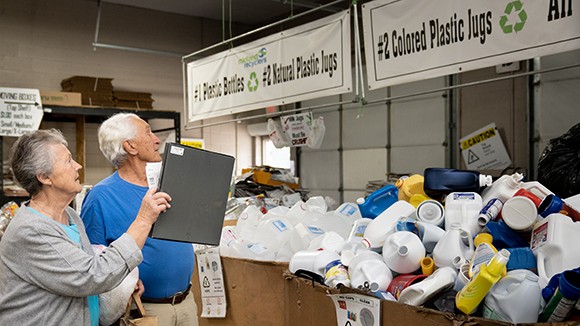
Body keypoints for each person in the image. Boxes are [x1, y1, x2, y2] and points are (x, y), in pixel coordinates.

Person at [0, 129, 171, 326]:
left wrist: (121, 282)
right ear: (44, 177)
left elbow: (80, 270)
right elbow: (94, 276)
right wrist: (143, 219)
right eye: (68, 161)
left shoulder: (70, 215)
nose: (78, 166)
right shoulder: (31, 231)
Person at [81, 113, 198, 326]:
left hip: (186, 302)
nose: (157, 139)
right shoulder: (100, 197)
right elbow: (91, 261)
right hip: (143, 310)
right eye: (148, 132)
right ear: (130, 147)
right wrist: (123, 283)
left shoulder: (167, 184)